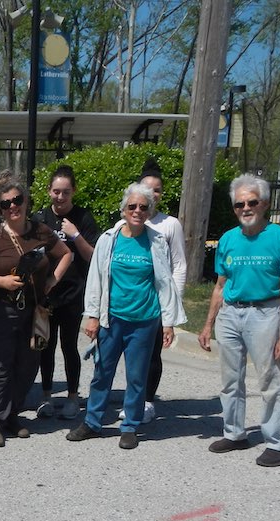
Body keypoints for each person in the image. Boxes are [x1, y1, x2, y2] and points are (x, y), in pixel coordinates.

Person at [66, 183, 186, 449]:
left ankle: (130, 425)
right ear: (123, 210)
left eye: (143, 207)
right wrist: (93, 316)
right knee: (102, 372)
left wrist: (168, 322)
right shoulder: (109, 239)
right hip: (112, 319)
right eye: (132, 206)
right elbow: (96, 278)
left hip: (144, 320)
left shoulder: (156, 241)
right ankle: (93, 422)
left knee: (136, 376)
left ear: (149, 211)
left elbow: (164, 282)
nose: (138, 211)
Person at [198, 173, 280, 468]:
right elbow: (219, 286)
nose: (245, 208)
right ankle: (235, 433)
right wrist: (208, 325)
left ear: (264, 203)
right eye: (239, 203)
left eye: (252, 202)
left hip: (266, 314)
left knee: (269, 379)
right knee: (230, 380)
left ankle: (279, 443)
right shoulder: (228, 239)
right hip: (230, 313)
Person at [0, 175, 72, 448]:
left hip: (34, 310)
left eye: (17, 200)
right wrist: (0, 281)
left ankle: (11, 416)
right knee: (0, 366)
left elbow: (66, 254)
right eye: (6, 204)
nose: (12, 207)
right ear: (0, 209)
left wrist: (52, 281)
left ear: (26, 201)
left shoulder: (41, 231)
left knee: (27, 365)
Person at [118, 159, 187, 423]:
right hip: (131, 300)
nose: (152, 194)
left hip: (158, 301)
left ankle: (147, 401)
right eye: (147, 188)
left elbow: (179, 265)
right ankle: (132, 398)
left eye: (157, 190)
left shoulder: (170, 224)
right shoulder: (129, 218)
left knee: (152, 353)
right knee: (132, 354)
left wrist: (173, 303)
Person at [31, 165, 101, 420]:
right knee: (45, 347)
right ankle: (46, 396)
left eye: (66, 193)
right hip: (46, 294)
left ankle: (73, 397)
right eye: (56, 192)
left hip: (73, 293)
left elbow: (94, 257)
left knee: (69, 346)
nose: (60, 197)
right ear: (49, 191)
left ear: (74, 192)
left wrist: (76, 234)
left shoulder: (83, 218)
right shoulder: (39, 219)